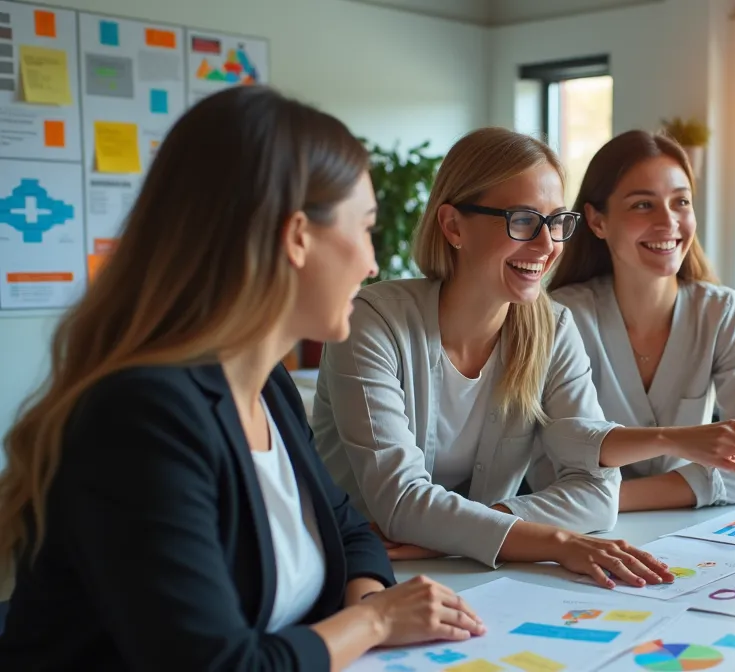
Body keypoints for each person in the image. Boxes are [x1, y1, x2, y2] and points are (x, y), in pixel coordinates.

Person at [0, 86, 483, 670]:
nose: (372, 262)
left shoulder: (267, 386)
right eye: (364, 229)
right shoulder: (140, 415)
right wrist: (374, 622)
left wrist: (370, 612)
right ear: (297, 236)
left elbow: (351, 532)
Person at [313, 127, 735, 588]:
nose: (547, 245)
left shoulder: (551, 326)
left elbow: (598, 493)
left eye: (555, 222)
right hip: (356, 573)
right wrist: (556, 542)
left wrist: (466, 530)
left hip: (472, 575)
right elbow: (400, 502)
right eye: (523, 220)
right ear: (453, 225)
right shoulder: (372, 321)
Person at [550, 130, 735, 512]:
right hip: (582, 533)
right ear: (597, 220)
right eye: (643, 205)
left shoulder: (721, 313)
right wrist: (690, 474)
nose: (668, 221)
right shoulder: (561, 317)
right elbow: (558, 463)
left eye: (681, 202)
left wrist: (600, 499)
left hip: (686, 530)